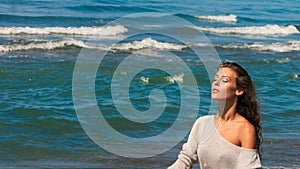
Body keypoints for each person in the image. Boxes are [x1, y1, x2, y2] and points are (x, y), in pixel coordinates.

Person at [168, 62, 262, 169]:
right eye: (215, 79)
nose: (216, 83)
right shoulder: (202, 123)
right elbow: (185, 160)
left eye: (224, 80)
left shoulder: (245, 129)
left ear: (239, 90)